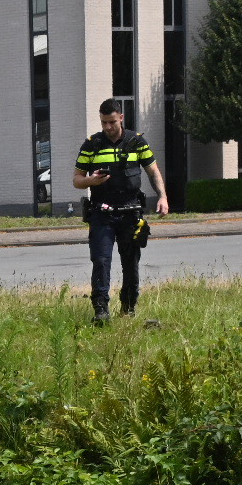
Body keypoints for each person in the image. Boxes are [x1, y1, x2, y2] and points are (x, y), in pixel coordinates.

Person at [72, 98, 169, 324]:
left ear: (121, 118)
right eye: (104, 122)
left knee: (130, 262)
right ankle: (101, 310)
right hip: (101, 213)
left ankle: (128, 308)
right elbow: (77, 180)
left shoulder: (136, 142)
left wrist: (163, 197)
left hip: (130, 213)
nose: (107, 127)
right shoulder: (91, 144)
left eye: (112, 122)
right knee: (101, 260)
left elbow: (153, 172)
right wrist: (91, 182)